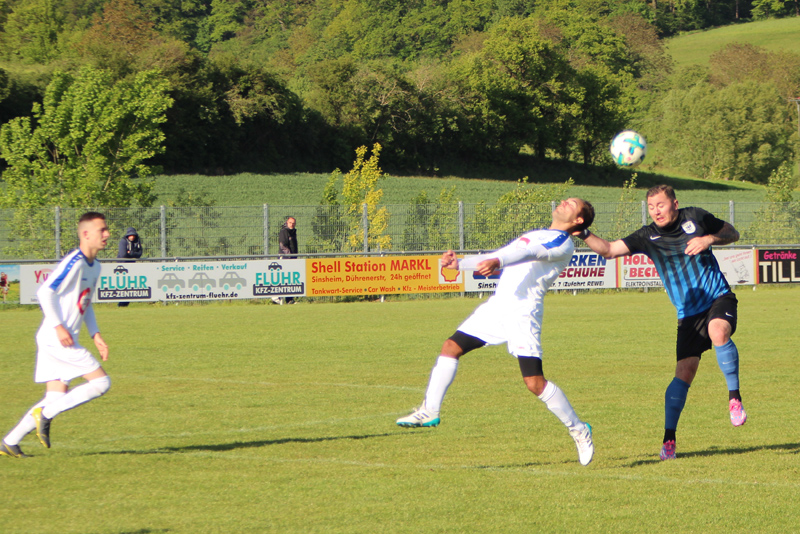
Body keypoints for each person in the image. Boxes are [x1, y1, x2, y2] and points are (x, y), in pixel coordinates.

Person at [396, 198, 597, 466]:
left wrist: (498, 259)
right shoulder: (535, 232)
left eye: (571, 203)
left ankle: (578, 428)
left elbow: (526, 254)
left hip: (522, 314)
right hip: (496, 308)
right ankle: (429, 411)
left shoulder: (562, 242)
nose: (563, 202)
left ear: (578, 220)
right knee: (450, 347)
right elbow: (502, 254)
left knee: (534, 383)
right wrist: (460, 265)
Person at [575, 185, 745, 461]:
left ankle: (734, 399)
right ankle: (669, 439)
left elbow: (732, 233)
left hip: (718, 298)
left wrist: (709, 239)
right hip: (688, 314)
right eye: (652, 206)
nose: (656, 210)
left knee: (718, 332)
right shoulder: (647, 236)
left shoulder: (696, 218)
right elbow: (607, 250)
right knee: (683, 374)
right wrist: (582, 233)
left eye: (661, 205)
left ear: (674, 204)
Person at [0, 212, 112, 458]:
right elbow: (44, 293)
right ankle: (46, 415)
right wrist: (59, 326)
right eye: (102, 230)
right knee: (102, 383)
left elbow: (86, 302)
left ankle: (9, 442)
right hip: (57, 339)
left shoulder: (96, 266)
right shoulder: (76, 261)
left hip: (57, 338)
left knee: (54, 395)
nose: (107, 234)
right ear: (86, 234)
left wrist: (95, 334)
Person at [273, 216, 298, 304]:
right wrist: (289, 256)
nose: (292, 224)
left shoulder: (293, 232)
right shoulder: (284, 231)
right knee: (281, 278)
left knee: (290, 279)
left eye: (293, 223)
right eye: (290, 222)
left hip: (292, 259)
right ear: (287, 223)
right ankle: (276, 298)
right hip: (285, 258)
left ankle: (289, 299)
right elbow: (283, 245)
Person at [116, 227, 143, 307]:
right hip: (122, 266)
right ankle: (121, 304)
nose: (132, 237)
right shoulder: (123, 241)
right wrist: (133, 253)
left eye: (133, 235)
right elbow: (123, 254)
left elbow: (140, 253)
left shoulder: (137, 241)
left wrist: (130, 253)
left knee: (130, 286)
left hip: (131, 266)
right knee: (123, 286)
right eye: (130, 235)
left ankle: (124, 304)